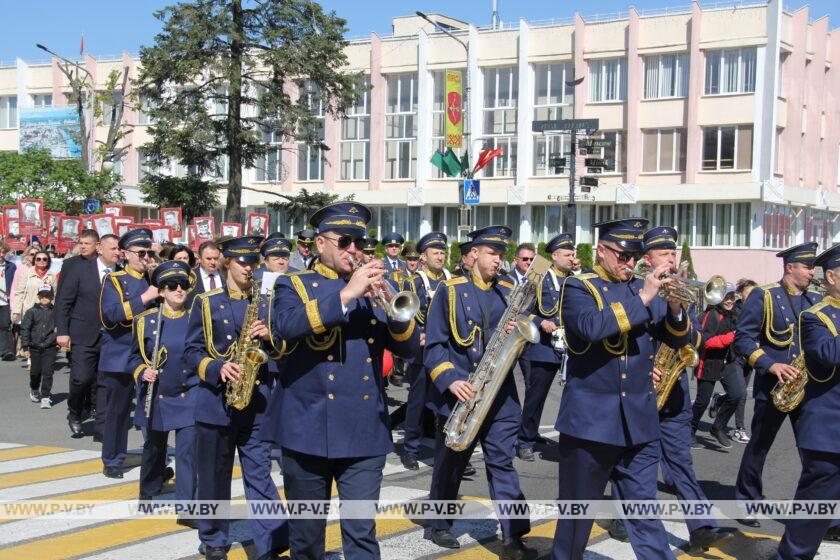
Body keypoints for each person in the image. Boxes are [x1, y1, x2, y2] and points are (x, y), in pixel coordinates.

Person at [267, 202, 419, 560]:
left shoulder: (375, 286)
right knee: (306, 537)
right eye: (346, 241)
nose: (355, 250)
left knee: (362, 533)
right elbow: (286, 327)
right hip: (307, 426)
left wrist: (389, 308)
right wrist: (348, 294)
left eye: (360, 242)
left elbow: (410, 348)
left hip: (363, 427)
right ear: (321, 244)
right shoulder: (294, 283)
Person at [551, 218, 693, 560]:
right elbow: (591, 327)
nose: (630, 263)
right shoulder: (579, 287)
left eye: (635, 256)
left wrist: (674, 307)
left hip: (639, 420)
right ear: (602, 251)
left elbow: (677, 339)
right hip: (591, 423)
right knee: (577, 518)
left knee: (645, 513)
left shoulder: (639, 288)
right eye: (623, 256)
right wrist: (645, 295)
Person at [608, 227, 736, 552]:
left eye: (674, 252)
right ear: (647, 259)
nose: (671, 258)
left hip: (674, 388)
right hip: (640, 387)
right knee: (637, 464)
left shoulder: (681, 294)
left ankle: (702, 527)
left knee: (680, 462)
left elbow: (691, 339)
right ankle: (625, 519)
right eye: (664, 253)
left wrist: (678, 309)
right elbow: (620, 339)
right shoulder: (632, 289)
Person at [423, 225, 534, 558]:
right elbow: (434, 348)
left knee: (502, 463)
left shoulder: (508, 290)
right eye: (492, 253)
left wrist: (520, 335)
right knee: (451, 462)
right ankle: (440, 524)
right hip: (462, 392)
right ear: (473, 255)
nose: (498, 260)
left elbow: (518, 342)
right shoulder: (450, 290)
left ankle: (514, 534)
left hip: (500, 394)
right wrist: (450, 380)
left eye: (501, 255)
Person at [184, 235, 288, 560]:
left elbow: (283, 349)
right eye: (242, 262)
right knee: (215, 476)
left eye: (252, 263)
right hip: (217, 404)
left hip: (255, 402)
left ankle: (271, 540)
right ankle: (214, 540)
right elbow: (190, 353)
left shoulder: (265, 301)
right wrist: (217, 368)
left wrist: (271, 338)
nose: (248, 269)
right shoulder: (206, 301)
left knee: (259, 473)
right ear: (228, 262)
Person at [733, 242, 822, 527]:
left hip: (806, 388)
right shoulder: (765, 296)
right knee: (759, 446)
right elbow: (743, 339)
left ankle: (814, 514)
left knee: (813, 452)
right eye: (807, 266)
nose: (812, 272)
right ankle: (746, 502)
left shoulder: (813, 299)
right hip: (774, 387)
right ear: (790, 267)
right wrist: (770, 364)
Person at [776, 244, 840, 558]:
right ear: (831, 276)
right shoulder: (815, 316)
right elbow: (829, 355)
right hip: (830, 434)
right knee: (812, 515)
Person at [130, 261, 197, 527]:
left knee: (187, 451)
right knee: (154, 448)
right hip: (157, 394)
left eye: (183, 285)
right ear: (162, 291)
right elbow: (132, 358)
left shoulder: (196, 319)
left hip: (189, 394)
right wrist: (142, 372)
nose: (179, 290)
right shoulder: (146, 321)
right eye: (172, 286)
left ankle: (188, 508)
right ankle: (148, 490)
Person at [98, 228, 158, 478]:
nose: (146, 257)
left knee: (152, 411)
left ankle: (155, 461)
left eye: (148, 252)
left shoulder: (153, 279)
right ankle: (113, 458)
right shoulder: (114, 280)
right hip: (120, 354)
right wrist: (144, 298)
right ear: (125, 254)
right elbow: (109, 316)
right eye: (140, 253)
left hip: (148, 355)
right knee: (118, 411)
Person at [516, 234, 574, 462]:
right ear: (555, 255)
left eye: (573, 254)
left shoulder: (573, 278)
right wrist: (541, 322)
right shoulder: (539, 276)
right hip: (544, 347)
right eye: (568, 254)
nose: (572, 258)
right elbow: (520, 309)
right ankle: (525, 441)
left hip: (570, 346)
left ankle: (554, 438)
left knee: (571, 397)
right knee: (536, 396)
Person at [399, 231, 451, 471]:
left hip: (448, 349)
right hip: (424, 349)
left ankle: (448, 450)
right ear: (423, 256)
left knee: (446, 401)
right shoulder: (415, 281)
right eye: (435, 253)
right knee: (417, 400)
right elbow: (413, 314)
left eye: (442, 252)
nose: (440, 257)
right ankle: (410, 448)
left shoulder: (451, 278)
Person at [56, 230, 111, 438]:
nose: (82, 246)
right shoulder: (74, 267)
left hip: (108, 335)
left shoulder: (115, 269)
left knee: (102, 380)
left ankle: (101, 422)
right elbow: (63, 299)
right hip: (81, 332)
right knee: (81, 378)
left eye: (87, 243)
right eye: (80, 243)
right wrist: (62, 330)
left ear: (97, 246)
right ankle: (75, 413)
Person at [691, 283, 746, 449]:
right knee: (702, 401)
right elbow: (705, 342)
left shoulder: (734, 314)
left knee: (738, 394)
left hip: (727, 362)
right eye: (726, 297)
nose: (729, 301)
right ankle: (690, 430)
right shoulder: (711, 314)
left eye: (731, 297)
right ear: (718, 298)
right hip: (708, 362)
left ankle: (717, 427)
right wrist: (730, 338)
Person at [21, 284, 57, 408]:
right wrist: (25, 347)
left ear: (52, 297)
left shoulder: (56, 312)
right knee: (35, 372)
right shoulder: (31, 312)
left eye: (47, 295)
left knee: (48, 372)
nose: (44, 298)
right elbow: (25, 329)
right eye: (42, 295)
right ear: (38, 296)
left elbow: (60, 327)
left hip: (50, 347)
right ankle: (34, 388)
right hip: (34, 347)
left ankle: (46, 396)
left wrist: (55, 339)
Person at [12, 250, 57, 326]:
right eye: (38, 259)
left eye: (44, 259)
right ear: (35, 261)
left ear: (48, 261)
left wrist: (54, 312)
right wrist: (16, 311)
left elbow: (55, 295)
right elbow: (19, 293)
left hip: (46, 313)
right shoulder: (27, 274)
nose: (41, 261)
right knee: (26, 335)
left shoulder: (52, 276)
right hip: (29, 311)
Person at [186, 241, 224, 309]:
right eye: (208, 259)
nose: (213, 262)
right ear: (199, 258)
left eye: (215, 258)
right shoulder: (190, 277)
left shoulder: (226, 276)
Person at [0, 243, 17, 361]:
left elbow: (14, 284)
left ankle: (6, 350)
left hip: (5, 301)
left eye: (2, 252)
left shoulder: (11, 266)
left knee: (5, 326)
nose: (1, 254)